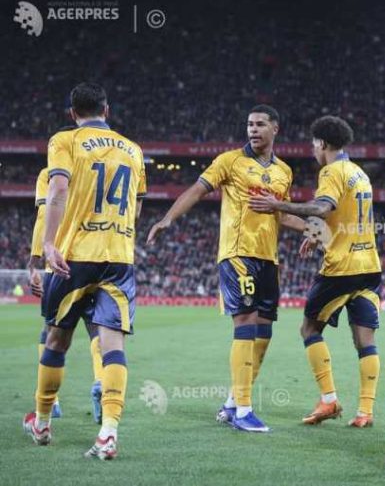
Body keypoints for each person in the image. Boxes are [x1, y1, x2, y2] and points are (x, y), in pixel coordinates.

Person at [147, 105, 304, 433]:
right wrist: (168, 218)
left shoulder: (284, 172)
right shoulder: (229, 161)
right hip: (237, 253)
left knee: (264, 331)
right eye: (249, 124)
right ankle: (244, 410)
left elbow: (282, 214)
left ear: (275, 128)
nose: (253, 129)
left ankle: (233, 402)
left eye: (260, 124)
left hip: (268, 259)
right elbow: (197, 189)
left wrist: (312, 229)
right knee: (245, 323)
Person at [23, 82, 147, 460]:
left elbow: (58, 190)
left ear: (72, 113)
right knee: (113, 347)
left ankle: (43, 422)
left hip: (74, 255)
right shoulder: (134, 149)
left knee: (56, 340)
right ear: (106, 110)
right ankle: (108, 432)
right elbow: (137, 207)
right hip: (119, 256)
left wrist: (48, 244)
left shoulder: (64, 140)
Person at [250, 115, 382, 428]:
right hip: (369, 264)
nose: (312, 150)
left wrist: (278, 205)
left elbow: (323, 208)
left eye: (313, 144)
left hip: (341, 268)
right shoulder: (359, 173)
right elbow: (344, 216)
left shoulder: (331, 171)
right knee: (365, 339)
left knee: (309, 329)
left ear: (322, 143)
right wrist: (316, 233)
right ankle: (365, 411)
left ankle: (329, 399)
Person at [27, 167, 104, 423]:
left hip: (61, 260)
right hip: (99, 257)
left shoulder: (50, 173)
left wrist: (34, 261)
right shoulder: (98, 166)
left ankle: (50, 402)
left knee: (51, 331)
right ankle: (101, 381)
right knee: (97, 327)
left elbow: (43, 215)